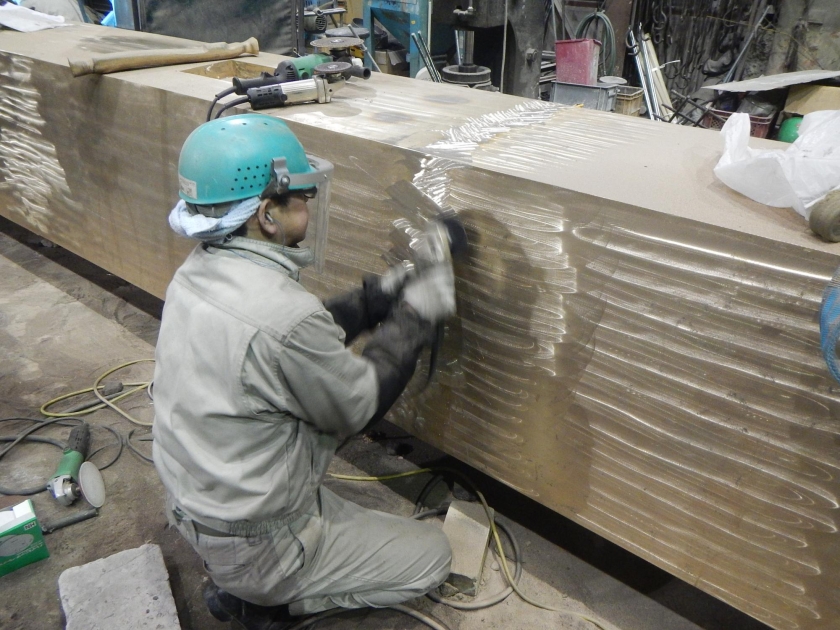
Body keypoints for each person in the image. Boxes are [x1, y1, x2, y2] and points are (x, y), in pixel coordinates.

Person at [152, 113, 455, 630]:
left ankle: (247, 581)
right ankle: (269, 602)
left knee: (334, 507)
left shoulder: (196, 274)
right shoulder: (284, 318)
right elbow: (358, 401)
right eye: (303, 199)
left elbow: (289, 339)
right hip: (254, 540)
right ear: (267, 214)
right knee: (433, 555)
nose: (309, 207)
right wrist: (416, 313)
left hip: (199, 506)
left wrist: (375, 298)